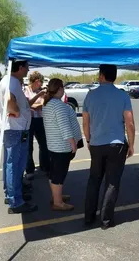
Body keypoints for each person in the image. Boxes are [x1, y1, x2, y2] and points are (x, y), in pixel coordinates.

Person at [82, 64, 135, 230]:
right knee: (112, 182)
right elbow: (130, 122)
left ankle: (88, 217)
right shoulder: (122, 95)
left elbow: (85, 122)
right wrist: (131, 144)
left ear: (102, 75)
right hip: (116, 145)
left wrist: (89, 140)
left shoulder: (90, 95)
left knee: (94, 180)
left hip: (97, 144)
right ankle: (106, 221)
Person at [0, 60, 38, 214]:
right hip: (16, 129)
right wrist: (16, 112)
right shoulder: (11, 82)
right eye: (27, 67)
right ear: (20, 68)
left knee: (10, 163)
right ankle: (16, 201)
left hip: (14, 129)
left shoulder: (8, 80)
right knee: (14, 165)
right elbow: (9, 100)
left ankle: (12, 194)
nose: (28, 70)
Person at [42, 78, 83, 211]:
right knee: (59, 175)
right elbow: (64, 126)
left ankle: (56, 197)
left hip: (54, 145)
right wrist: (73, 143)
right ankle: (58, 202)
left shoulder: (48, 103)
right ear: (59, 89)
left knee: (54, 173)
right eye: (63, 88)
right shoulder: (58, 105)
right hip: (61, 146)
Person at [24, 71, 49, 180]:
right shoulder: (26, 90)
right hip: (29, 120)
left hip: (40, 119)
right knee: (29, 146)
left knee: (43, 144)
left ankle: (45, 166)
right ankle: (30, 169)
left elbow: (43, 104)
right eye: (40, 81)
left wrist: (35, 104)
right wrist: (37, 98)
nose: (41, 84)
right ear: (36, 81)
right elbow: (27, 104)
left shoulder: (41, 91)